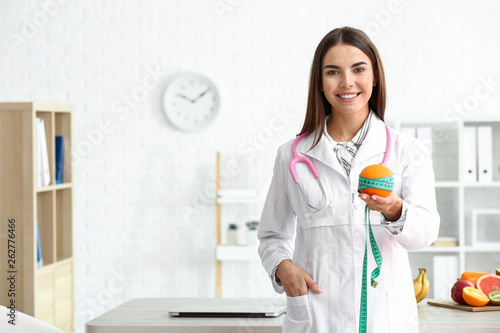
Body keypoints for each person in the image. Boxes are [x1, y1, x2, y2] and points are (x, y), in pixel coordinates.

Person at [257, 27, 440, 333]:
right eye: (333, 72)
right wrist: (281, 267)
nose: (346, 82)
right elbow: (272, 235)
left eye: (358, 69)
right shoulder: (292, 155)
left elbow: (425, 234)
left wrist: (394, 208)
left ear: (375, 76)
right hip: (316, 314)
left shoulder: (409, 151)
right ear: (320, 83)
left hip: (386, 315)